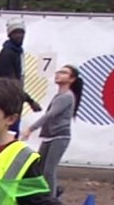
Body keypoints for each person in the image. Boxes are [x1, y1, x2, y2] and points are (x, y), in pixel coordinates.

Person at [22, 65, 84, 197]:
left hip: (59, 137)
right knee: (39, 169)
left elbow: (50, 115)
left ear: (71, 79)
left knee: (49, 171)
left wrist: (30, 129)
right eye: (58, 72)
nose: (58, 74)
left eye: (64, 73)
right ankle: (47, 194)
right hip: (50, 137)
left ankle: (51, 199)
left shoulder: (66, 96)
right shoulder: (60, 95)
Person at [0, 18, 43, 131]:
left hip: (13, 103)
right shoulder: (8, 54)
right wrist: (30, 101)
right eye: (16, 33)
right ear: (9, 35)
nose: (20, 36)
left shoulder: (17, 52)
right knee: (8, 137)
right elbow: (10, 83)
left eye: (21, 32)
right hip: (7, 104)